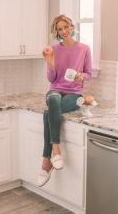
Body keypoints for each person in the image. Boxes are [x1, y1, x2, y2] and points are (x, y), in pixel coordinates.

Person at [36, 14, 92, 187]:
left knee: (48, 113)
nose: (64, 31)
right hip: (56, 90)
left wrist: (79, 76)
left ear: (72, 27)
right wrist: (50, 62)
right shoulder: (53, 49)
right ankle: (56, 150)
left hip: (75, 94)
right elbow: (52, 79)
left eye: (66, 27)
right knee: (53, 99)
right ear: (57, 32)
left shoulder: (84, 48)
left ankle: (46, 161)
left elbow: (88, 74)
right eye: (60, 29)